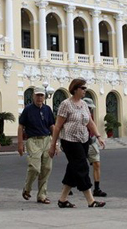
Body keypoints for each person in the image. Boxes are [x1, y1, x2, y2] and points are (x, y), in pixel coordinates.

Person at [48, 78, 106, 208]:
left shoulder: (84, 104)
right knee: (82, 167)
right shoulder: (65, 104)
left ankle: (62, 200)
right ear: (75, 89)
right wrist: (54, 144)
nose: (85, 90)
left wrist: (98, 136)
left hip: (83, 140)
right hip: (69, 141)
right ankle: (91, 200)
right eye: (83, 88)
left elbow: (90, 122)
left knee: (73, 168)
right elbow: (57, 126)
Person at [18, 86, 55, 204]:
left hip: (46, 140)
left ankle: (42, 195)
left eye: (41, 95)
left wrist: (55, 143)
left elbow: (52, 126)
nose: (40, 98)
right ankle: (27, 188)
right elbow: (21, 126)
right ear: (33, 96)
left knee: (47, 168)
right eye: (37, 95)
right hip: (33, 140)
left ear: (44, 97)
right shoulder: (28, 109)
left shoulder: (47, 109)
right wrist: (20, 143)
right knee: (34, 167)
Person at [83, 97, 107, 197]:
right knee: (77, 166)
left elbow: (93, 127)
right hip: (80, 143)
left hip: (91, 142)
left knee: (97, 164)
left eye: (91, 108)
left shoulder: (90, 116)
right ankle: (68, 186)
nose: (90, 110)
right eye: (88, 108)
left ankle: (97, 189)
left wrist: (99, 137)